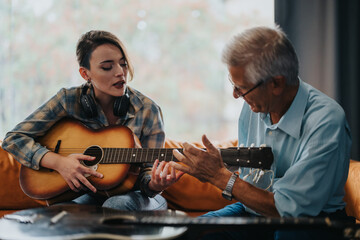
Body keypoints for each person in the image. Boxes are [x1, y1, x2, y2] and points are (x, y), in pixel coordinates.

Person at [170, 25, 354, 239]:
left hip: (313, 221)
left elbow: (289, 208)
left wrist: (219, 176)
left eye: (241, 88)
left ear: (276, 83)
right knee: (190, 232)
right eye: (233, 84)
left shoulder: (326, 120)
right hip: (255, 211)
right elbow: (252, 177)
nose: (235, 95)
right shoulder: (254, 106)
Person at [2, 30, 183, 211]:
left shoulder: (147, 109)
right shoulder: (67, 100)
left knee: (115, 205)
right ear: (85, 73)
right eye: (107, 67)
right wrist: (59, 163)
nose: (120, 73)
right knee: (61, 213)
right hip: (86, 192)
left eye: (123, 64)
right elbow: (14, 139)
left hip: (137, 196)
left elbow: (147, 175)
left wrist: (155, 184)